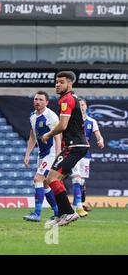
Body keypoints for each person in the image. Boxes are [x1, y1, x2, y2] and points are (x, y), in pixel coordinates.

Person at [42, 71, 88, 226]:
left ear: (70, 84)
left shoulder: (67, 99)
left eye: (61, 82)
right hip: (76, 145)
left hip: (74, 145)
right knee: (54, 180)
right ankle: (63, 214)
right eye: (56, 82)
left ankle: (68, 213)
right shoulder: (72, 98)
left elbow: (62, 125)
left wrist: (48, 134)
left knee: (51, 179)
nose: (57, 84)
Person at [23, 91, 61, 222]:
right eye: (35, 99)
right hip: (42, 154)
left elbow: (57, 135)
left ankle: (37, 214)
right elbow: (33, 136)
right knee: (45, 184)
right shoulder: (32, 116)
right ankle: (58, 212)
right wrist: (27, 154)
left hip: (51, 153)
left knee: (37, 179)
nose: (37, 102)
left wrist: (58, 154)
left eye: (40, 99)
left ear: (46, 102)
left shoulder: (50, 116)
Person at [71, 98, 104, 215]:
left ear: (86, 106)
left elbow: (98, 135)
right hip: (74, 153)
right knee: (76, 178)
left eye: (83, 105)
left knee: (81, 182)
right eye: (79, 105)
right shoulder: (72, 120)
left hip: (85, 155)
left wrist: (100, 140)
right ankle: (79, 207)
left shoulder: (92, 122)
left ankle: (75, 206)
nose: (81, 107)